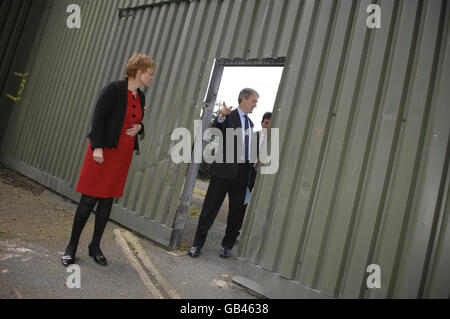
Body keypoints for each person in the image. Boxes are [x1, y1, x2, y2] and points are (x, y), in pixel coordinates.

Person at [61, 53, 155, 267]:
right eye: (150, 74)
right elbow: (98, 119)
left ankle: (95, 246)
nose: (151, 78)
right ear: (138, 73)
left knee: (107, 202)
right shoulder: (113, 89)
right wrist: (97, 148)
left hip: (122, 156)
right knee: (88, 200)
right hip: (102, 153)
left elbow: (138, 120)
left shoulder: (140, 96)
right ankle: (71, 246)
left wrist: (140, 127)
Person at [188, 88, 259, 259]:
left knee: (237, 212)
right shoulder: (229, 117)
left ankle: (227, 246)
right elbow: (217, 128)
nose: (255, 105)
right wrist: (221, 116)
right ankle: (197, 245)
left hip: (243, 172)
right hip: (224, 170)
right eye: (253, 101)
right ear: (244, 99)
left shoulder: (250, 124)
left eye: (256, 102)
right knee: (209, 209)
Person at [244, 112, 272, 210]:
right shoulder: (253, 136)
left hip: (264, 174)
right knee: (243, 201)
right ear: (261, 123)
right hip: (250, 171)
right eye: (266, 123)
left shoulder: (275, 142)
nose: (268, 126)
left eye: (270, 124)